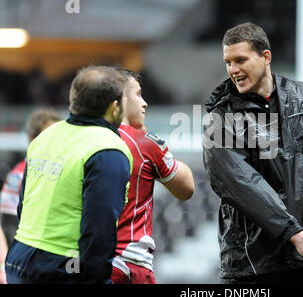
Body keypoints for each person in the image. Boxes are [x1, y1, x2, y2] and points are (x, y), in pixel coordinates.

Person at [202, 22, 303, 284]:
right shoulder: (219, 119)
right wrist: (295, 235)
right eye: (228, 62)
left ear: (266, 57)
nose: (233, 70)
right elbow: (244, 185)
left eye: (240, 60)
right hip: (255, 267)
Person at [4, 65, 133, 284]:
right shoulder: (107, 149)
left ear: (74, 100)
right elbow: (99, 231)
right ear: (114, 107)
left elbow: (23, 206)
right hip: (60, 267)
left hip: (19, 258)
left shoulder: (45, 137)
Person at [110, 68, 195, 284]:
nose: (144, 103)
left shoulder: (83, 139)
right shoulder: (143, 143)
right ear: (118, 101)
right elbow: (187, 189)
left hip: (83, 263)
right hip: (128, 264)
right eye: (138, 94)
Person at [0, 109, 61, 248]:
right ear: (34, 140)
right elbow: (9, 226)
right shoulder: (18, 176)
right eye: (52, 136)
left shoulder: (66, 170)